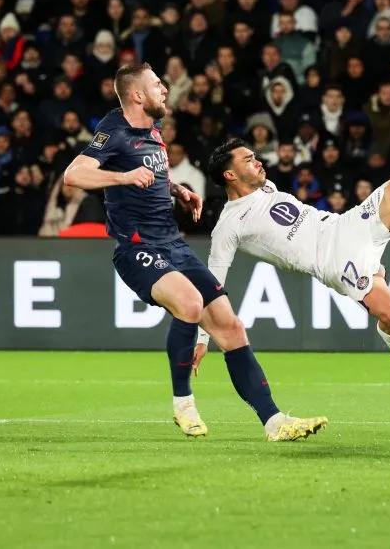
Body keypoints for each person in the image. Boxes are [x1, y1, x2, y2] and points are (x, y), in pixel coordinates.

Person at [195, 66, 390, 401]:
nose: (258, 161)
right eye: (248, 160)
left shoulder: (266, 187)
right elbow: (212, 284)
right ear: (230, 174)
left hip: (348, 224)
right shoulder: (229, 225)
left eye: (255, 156)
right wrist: (202, 339)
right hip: (335, 261)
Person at [62, 62, 326, 442]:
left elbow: (152, 170)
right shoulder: (113, 131)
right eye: (156, 85)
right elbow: (75, 173)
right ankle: (183, 403)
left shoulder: (152, 129)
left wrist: (178, 190)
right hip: (137, 248)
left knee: (231, 327)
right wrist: (122, 177)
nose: (165, 89)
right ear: (137, 95)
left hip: (173, 243)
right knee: (188, 303)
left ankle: (274, 422)